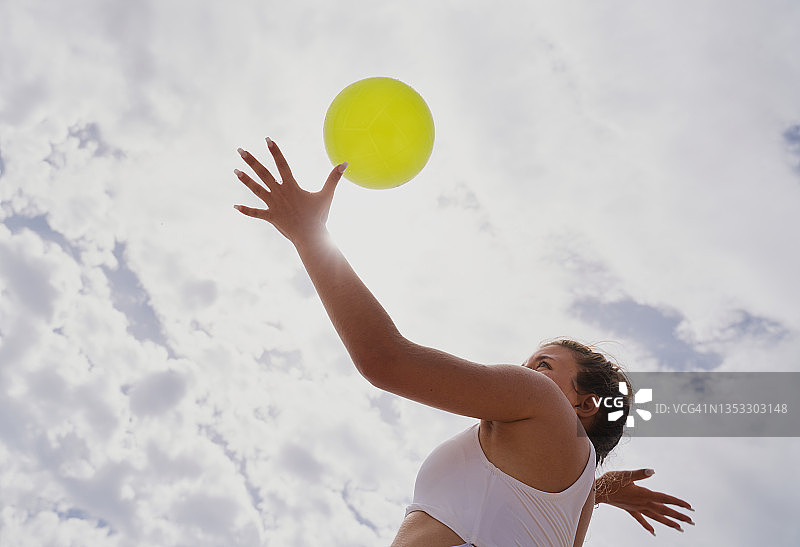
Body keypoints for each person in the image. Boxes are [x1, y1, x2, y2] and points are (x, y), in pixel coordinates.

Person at [233, 138, 695, 546]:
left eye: (543, 366)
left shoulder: (537, 403)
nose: (524, 372)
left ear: (586, 404)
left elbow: (385, 359)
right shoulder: (573, 509)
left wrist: (310, 236)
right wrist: (600, 490)